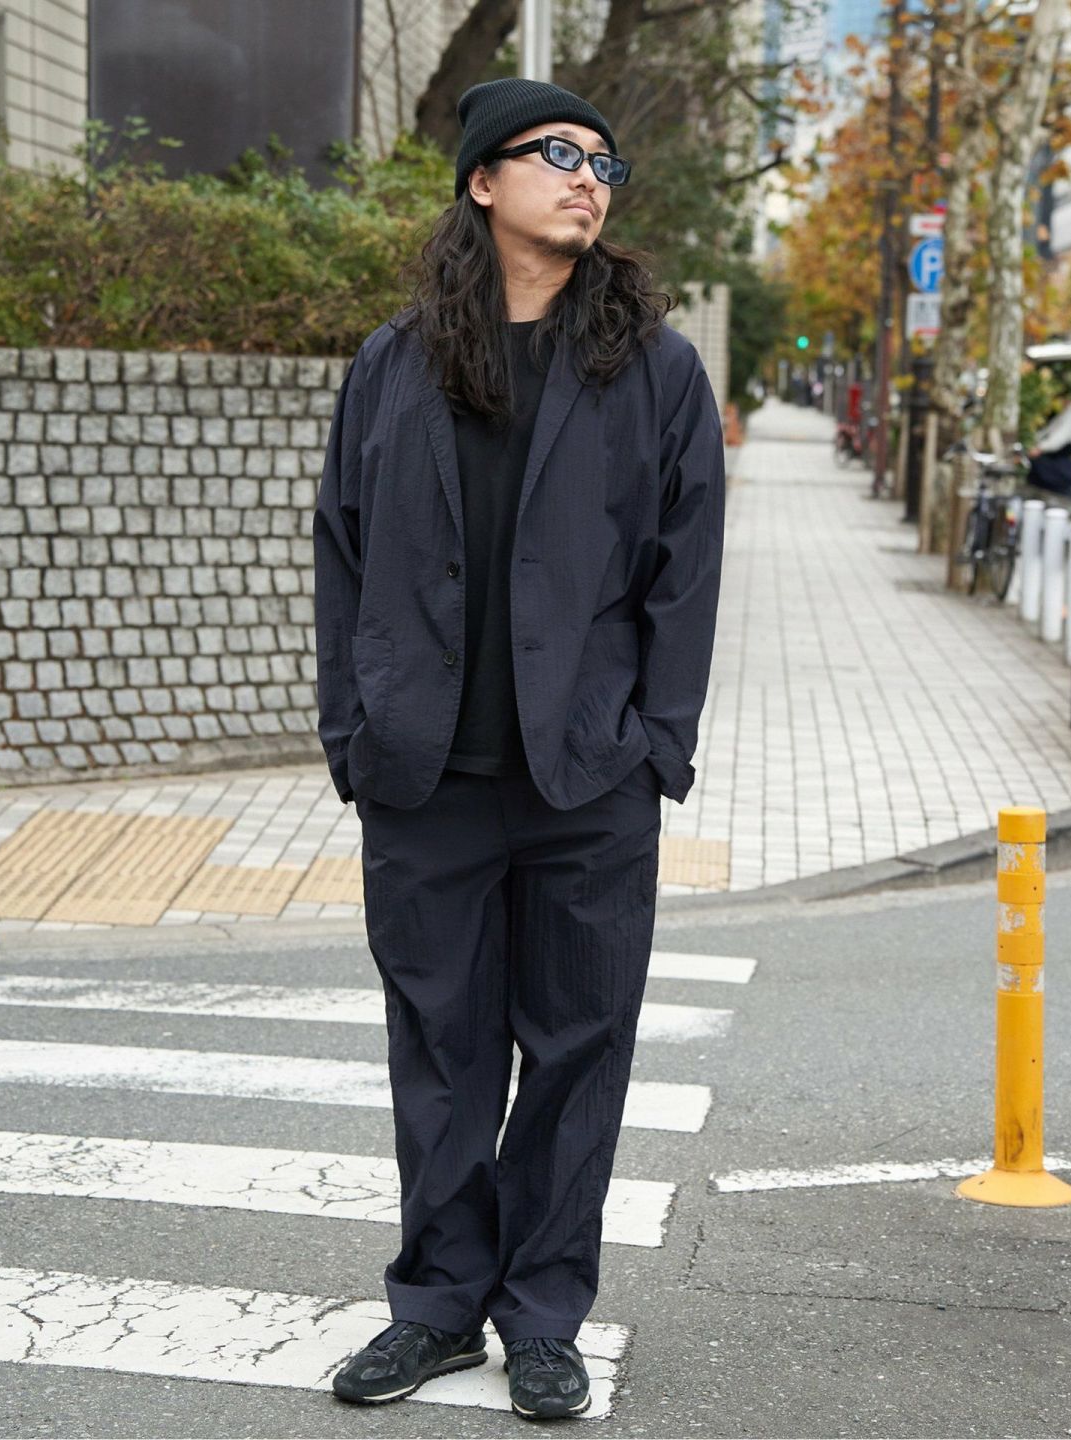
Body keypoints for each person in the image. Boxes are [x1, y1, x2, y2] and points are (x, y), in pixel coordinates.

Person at [313, 78, 725, 1420]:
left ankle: (543, 1315)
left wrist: (657, 745)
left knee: (576, 1054)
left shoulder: (652, 367)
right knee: (439, 1055)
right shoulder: (397, 362)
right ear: (484, 181)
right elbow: (343, 551)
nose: (590, 176)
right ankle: (436, 1307)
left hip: (587, 778)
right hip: (424, 776)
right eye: (560, 153)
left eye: (605, 162)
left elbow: (685, 573)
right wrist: (351, 731)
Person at [1026, 389, 1071, 496]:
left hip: (1061, 462)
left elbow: (1058, 438)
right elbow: (1049, 431)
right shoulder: (1069, 411)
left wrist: (1039, 448)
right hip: (1057, 459)